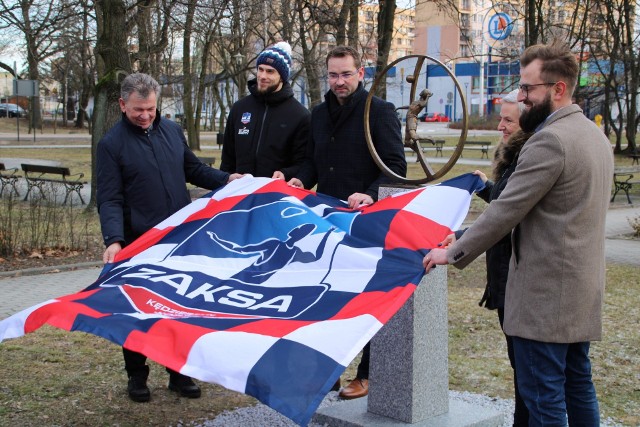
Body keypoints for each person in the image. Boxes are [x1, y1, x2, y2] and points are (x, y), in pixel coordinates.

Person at [424, 42, 613, 425]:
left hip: (544, 298)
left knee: (543, 401)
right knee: (578, 386)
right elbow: (552, 214)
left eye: (528, 88)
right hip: (579, 291)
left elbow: (506, 209)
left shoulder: (549, 141)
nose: (521, 97)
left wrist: (455, 250)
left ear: (558, 88)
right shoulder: (594, 136)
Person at [97, 72, 242, 403]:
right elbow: (109, 198)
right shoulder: (111, 145)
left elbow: (193, 170)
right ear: (122, 105)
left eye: (150, 108)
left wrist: (227, 179)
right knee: (137, 312)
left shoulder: (173, 131)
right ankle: (137, 376)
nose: (146, 115)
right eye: (138, 110)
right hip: (138, 243)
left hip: (179, 241)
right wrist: (114, 239)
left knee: (177, 308)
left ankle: (179, 372)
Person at [288, 46, 407, 399]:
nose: (339, 81)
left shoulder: (380, 112)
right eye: (333, 75)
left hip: (367, 222)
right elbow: (312, 162)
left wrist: (370, 194)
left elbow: (395, 166)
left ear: (361, 74)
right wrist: (299, 181)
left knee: (366, 300)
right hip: (327, 221)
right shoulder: (319, 114)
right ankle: (329, 371)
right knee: (326, 298)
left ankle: (367, 374)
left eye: (346, 74)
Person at [442, 89, 531, 425]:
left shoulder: (529, 157)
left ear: (526, 122)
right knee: (520, 364)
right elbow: (507, 200)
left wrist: (460, 239)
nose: (500, 126)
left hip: (516, 278)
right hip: (505, 279)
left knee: (527, 367)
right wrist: (485, 186)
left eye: (508, 120)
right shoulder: (515, 157)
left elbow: (509, 215)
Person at [220, 41, 310, 181]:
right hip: (240, 194)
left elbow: (303, 164)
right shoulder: (240, 108)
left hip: (276, 197)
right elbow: (227, 159)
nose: (263, 76)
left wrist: (285, 173)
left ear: (282, 76)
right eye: (260, 69)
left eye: (270, 71)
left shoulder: (300, 115)